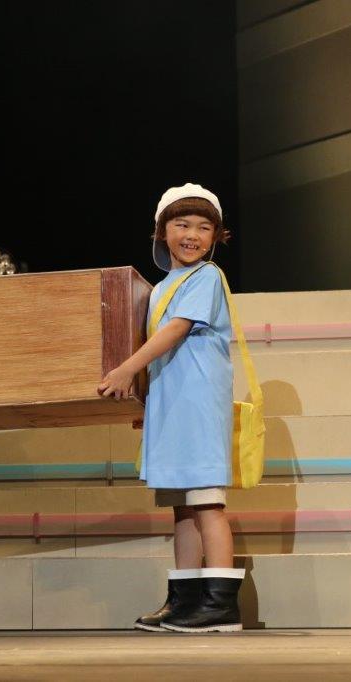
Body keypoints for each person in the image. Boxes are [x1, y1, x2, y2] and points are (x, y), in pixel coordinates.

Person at [98, 183, 244, 633]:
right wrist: (146, 400)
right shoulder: (163, 285)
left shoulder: (206, 277)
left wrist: (127, 369)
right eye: (182, 225)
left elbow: (176, 330)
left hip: (197, 404)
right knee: (182, 506)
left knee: (207, 503)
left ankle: (220, 603)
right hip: (173, 405)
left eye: (203, 227)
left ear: (216, 236)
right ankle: (184, 599)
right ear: (162, 231)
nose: (192, 235)